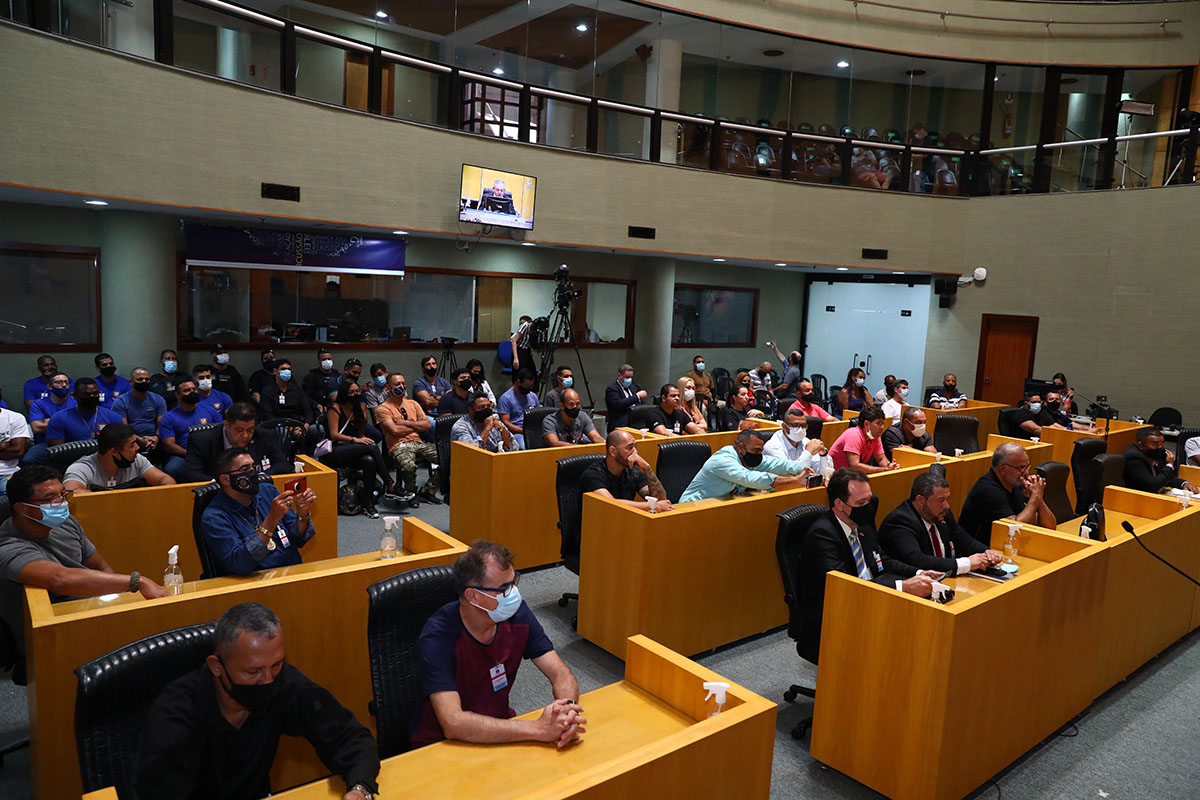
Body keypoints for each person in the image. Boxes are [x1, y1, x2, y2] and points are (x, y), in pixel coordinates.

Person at [133, 602, 380, 800]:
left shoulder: (283, 684)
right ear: (217, 666)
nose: (268, 680)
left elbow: (350, 738)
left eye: (276, 665)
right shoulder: (174, 719)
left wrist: (360, 790)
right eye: (253, 672)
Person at [412, 540, 584, 748]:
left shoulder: (518, 614)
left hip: (501, 730)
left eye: (514, 582)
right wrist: (538, 729)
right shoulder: (438, 637)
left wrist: (568, 711)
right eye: (504, 589)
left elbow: (559, 672)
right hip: (443, 744)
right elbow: (453, 722)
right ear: (473, 595)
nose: (513, 594)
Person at [0, 465, 168, 660]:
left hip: (89, 609)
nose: (61, 503)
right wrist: (137, 582)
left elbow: (100, 566)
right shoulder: (7, 546)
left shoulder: (66, 522)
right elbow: (60, 579)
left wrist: (121, 602)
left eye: (63, 495)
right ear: (21, 508)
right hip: (53, 630)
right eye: (49, 499)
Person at [796, 468, 936, 662]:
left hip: (869, 600)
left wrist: (919, 571)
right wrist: (903, 587)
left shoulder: (861, 523)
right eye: (861, 503)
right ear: (839, 504)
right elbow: (846, 586)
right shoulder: (822, 536)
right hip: (834, 615)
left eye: (869, 500)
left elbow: (881, 560)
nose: (868, 508)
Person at [202, 448, 317, 575]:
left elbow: (298, 539)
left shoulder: (268, 491)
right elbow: (240, 564)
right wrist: (271, 520)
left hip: (293, 572)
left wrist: (302, 514)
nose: (253, 473)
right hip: (257, 584)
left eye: (254, 467)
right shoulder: (214, 517)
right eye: (245, 469)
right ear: (225, 480)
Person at [878, 472, 1003, 576]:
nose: (947, 506)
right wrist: (967, 563)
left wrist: (987, 552)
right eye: (941, 500)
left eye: (947, 499)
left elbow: (964, 540)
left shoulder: (942, 514)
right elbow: (918, 561)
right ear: (921, 500)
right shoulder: (899, 521)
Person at [321, 379, 396, 518]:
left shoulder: (357, 409)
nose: (355, 394)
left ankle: (368, 504)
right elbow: (334, 434)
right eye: (351, 392)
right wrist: (354, 440)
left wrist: (358, 440)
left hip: (351, 450)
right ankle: (389, 483)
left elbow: (360, 432)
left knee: (369, 461)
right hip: (334, 451)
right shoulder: (335, 408)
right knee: (372, 446)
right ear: (345, 393)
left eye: (357, 391)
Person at [958, 442, 1056, 546]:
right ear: (1002, 469)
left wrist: (1038, 498)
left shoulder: (1016, 485)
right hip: (979, 553)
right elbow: (1014, 529)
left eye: (1027, 466)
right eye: (1021, 468)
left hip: (1005, 548)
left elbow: (1050, 527)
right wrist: (1036, 495)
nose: (1026, 472)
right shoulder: (988, 490)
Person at [680, 429, 814, 502]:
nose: (759, 454)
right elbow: (749, 478)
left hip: (720, 505)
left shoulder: (749, 458)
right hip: (693, 507)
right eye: (756, 450)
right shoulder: (723, 459)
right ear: (741, 447)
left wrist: (803, 469)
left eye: (761, 451)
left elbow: (779, 463)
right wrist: (793, 480)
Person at [180, 401, 290, 483]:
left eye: (250, 430)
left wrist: (259, 478)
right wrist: (223, 483)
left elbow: (283, 465)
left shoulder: (263, 435)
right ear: (226, 425)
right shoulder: (202, 440)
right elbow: (190, 473)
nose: (245, 435)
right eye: (239, 430)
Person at [374, 373, 440, 506]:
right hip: (399, 445)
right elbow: (395, 431)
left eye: (403, 383)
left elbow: (427, 425)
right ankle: (412, 493)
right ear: (388, 387)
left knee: (448, 458)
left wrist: (406, 423)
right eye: (397, 384)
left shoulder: (413, 404)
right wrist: (417, 426)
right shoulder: (382, 409)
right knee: (408, 466)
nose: (402, 386)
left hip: (418, 442)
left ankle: (429, 490)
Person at [63, 423, 173, 493]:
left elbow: (166, 480)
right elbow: (70, 493)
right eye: (132, 445)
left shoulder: (137, 459)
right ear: (114, 451)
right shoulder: (81, 468)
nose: (138, 448)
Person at [578, 430, 671, 511]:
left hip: (623, 523)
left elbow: (660, 500)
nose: (635, 452)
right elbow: (610, 504)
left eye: (635, 447)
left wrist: (647, 468)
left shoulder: (633, 472)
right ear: (613, 451)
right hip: (594, 526)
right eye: (630, 447)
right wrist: (651, 506)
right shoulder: (593, 474)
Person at [158, 377, 222, 480]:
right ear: (177, 395)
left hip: (211, 453)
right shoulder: (168, 417)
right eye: (187, 390)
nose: (192, 392)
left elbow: (221, 432)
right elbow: (169, 445)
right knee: (172, 468)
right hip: (184, 455)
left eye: (194, 389)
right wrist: (191, 454)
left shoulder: (210, 411)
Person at [45, 378, 123, 446]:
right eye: (86, 394)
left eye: (95, 393)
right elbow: (57, 452)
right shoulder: (59, 418)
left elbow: (121, 444)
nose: (91, 396)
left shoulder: (113, 417)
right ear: (75, 396)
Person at [112, 368, 166, 459]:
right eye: (140, 379)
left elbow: (162, 425)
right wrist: (140, 440)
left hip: (155, 439)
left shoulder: (158, 399)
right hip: (131, 439)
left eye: (147, 379)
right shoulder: (120, 402)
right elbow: (123, 428)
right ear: (131, 382)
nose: (144, 382)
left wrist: (155, 438)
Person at [1123, 428, 1197, 494]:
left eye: (1162, 443)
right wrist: (1169, 465)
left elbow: (1163, 477)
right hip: (1133, 497)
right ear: (1140, 445)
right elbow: (1152, 485)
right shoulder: (1134, 458)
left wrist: (1184, 483)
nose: (1160, 447)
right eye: (1155, 444)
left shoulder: (1152, 454)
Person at [827, 406, 898, 473]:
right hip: (836, 476)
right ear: (866, 424)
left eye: (883, 423)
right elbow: (854, 466)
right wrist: (884, 469)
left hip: (852, 476)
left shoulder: (875, 436)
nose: (882, 427)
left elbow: (881, 459)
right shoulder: (853, 435)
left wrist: (890, 467)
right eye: (878, 423)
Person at [258, 358, 316, 439]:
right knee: (282, 432)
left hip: (298, 424)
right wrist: (288, 427)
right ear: (275, 371)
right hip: (279, 425)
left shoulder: (297, 389)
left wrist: (306, 424)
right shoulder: (267, 391)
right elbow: (267, 415)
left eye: (289, 369)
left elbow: (307, 410)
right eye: (283, 369)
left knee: (317, 429)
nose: (287, 371)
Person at [453, 394, 521, 452]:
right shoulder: (461, 427)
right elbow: (472, 454)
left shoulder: (494, 419)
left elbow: (514, 448)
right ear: (471, 409)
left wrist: (501, 429)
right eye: (482, 407)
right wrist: (487, 428)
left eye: (488, 406)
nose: (486, 410)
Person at [27, 372, 75, 445]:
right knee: (30, 456)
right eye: (59, 382)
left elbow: (82, 426)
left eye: (66, 382)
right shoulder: (38, 404)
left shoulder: (76, 403)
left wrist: (49, 421)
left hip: (72, 442)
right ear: (49, 386)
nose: (64, 385)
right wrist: (69, 423)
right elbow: (37, 428)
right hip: (45, 443)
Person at [497, 368, 540, 449]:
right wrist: (522, 431)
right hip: (516, 433)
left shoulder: (533, 396)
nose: (528, 389)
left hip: (533, 431)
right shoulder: (506, 398)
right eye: (526, 386)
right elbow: (505, 423)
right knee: (525, 448)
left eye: (530, 386)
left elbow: (539, 415)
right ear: (518, 382)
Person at [604, 364, 646, 429]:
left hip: (636, 422)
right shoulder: (612, 389)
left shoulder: (634, 387)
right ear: (619, 375)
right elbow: (619, 404)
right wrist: (637, 396)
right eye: (627, 377)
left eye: (631, 377)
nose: (629, 380)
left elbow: (642, 405)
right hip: (621, 423)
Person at [0, 405, 31, 494]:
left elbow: (18, 451)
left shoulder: (15, 418)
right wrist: (3, 446)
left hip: (7, 472)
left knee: (17, 497)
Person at [302, 349, 341, 413]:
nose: (327, 361)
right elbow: (305, 395)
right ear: (319, 361)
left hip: (335, 406)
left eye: (329, 359)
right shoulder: (311, 376)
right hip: (317, 408)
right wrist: (316, 405)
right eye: (324, 359)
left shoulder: (337, 376)